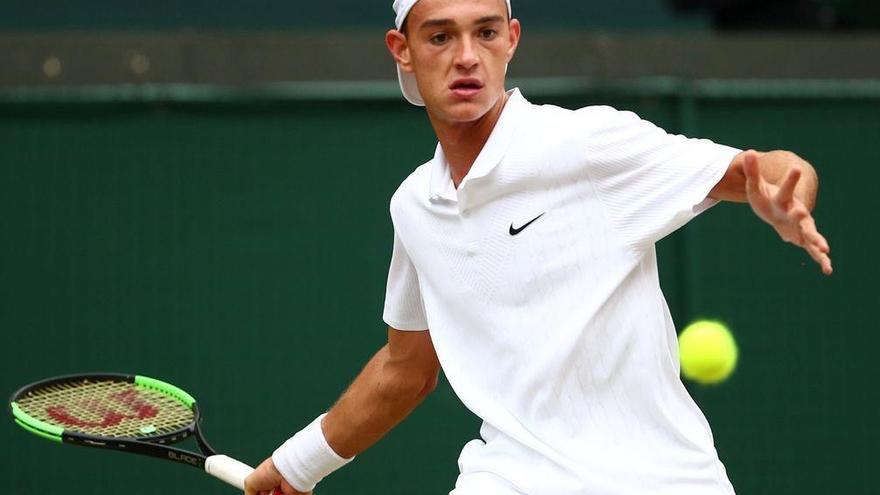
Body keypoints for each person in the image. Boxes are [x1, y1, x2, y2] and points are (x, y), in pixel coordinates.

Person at [244, 0, 832, 493]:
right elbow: (406, 368)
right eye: (441, 36)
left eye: (486, 32)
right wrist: (297, 466)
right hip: (508, 478)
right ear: (402, 49)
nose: (466, 56)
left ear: (511, 40)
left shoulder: (586, 145)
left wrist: (783, 198)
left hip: (659, 480)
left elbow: (770, 168)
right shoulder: (415, 207)